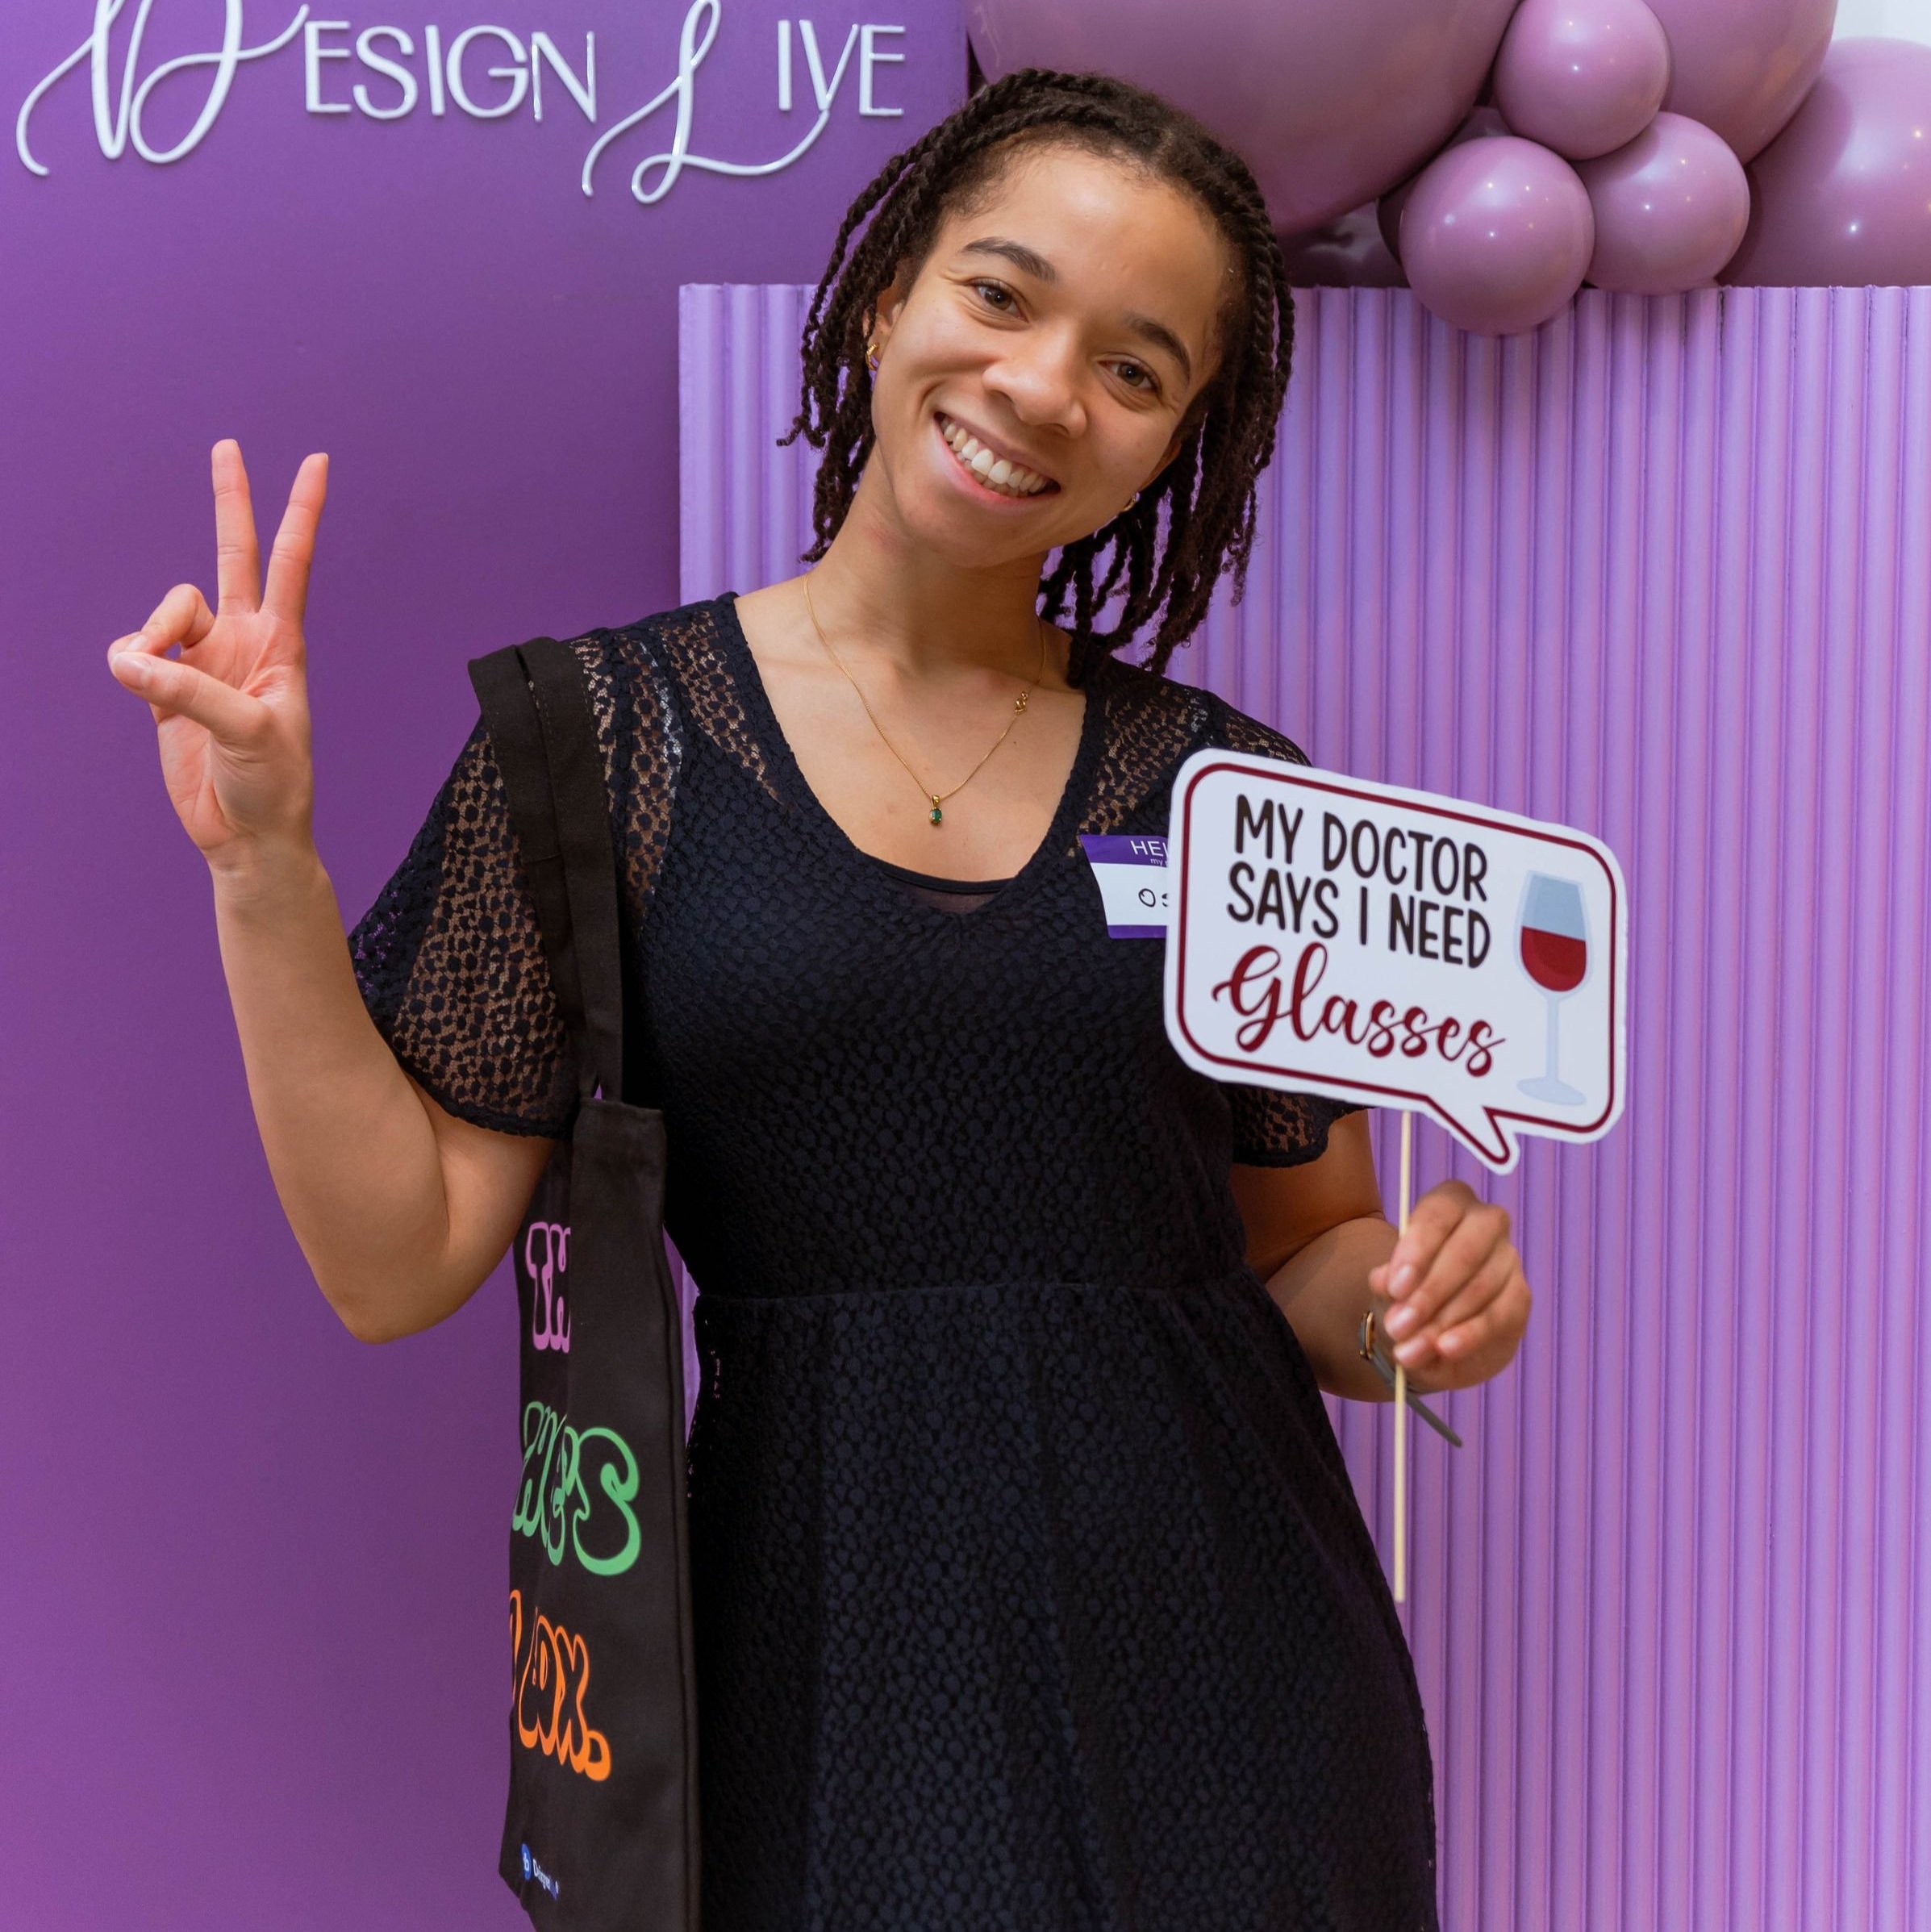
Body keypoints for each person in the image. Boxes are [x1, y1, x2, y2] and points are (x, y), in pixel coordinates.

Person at [106, 66, 1532, 1932]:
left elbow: (1313, 1261)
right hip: (828, 1644)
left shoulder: (1226, 795)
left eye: (1135, 365)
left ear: (1178, 434)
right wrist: (260, 865)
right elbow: (398, 1260)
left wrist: (1426, 1300)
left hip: (1230, 1656)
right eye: (1001, 295)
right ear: (886, 299)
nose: (1040, 386)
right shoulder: (595, 744)